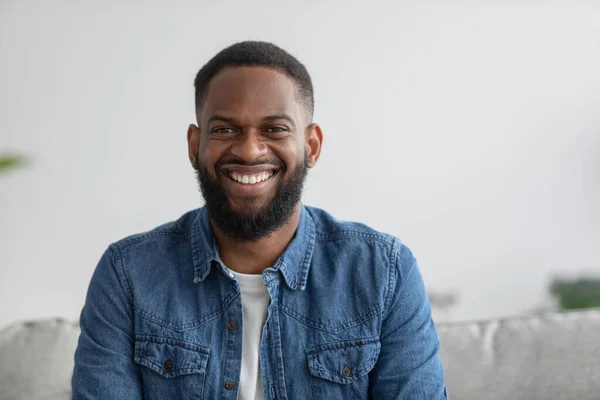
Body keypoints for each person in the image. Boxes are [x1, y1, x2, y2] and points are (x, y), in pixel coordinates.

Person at [72, 41, 447, 399]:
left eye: (274, 129)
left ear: (311, 146)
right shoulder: (128, 275)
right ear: (194, 146)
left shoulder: (383, 272)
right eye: (225, 129)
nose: (250, 150)